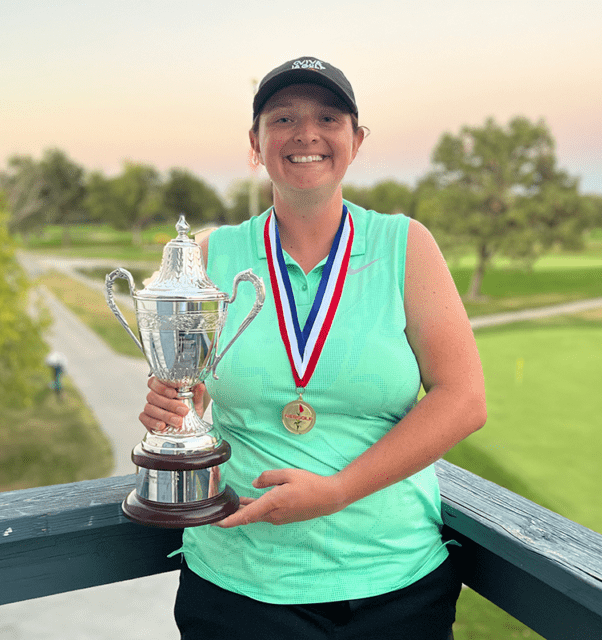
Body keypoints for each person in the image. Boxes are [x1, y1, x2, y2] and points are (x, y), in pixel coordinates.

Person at [139, 56, 487, 640]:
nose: (306, 134)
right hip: (239, 580)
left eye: (329, 117)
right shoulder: (208, 254)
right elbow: (189, 391)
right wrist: (174, 410)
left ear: (356, 140)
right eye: (282, 119)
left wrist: (337, 492)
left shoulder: (404, 244)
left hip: (394, 580)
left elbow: (463, 399)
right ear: (256, 143)